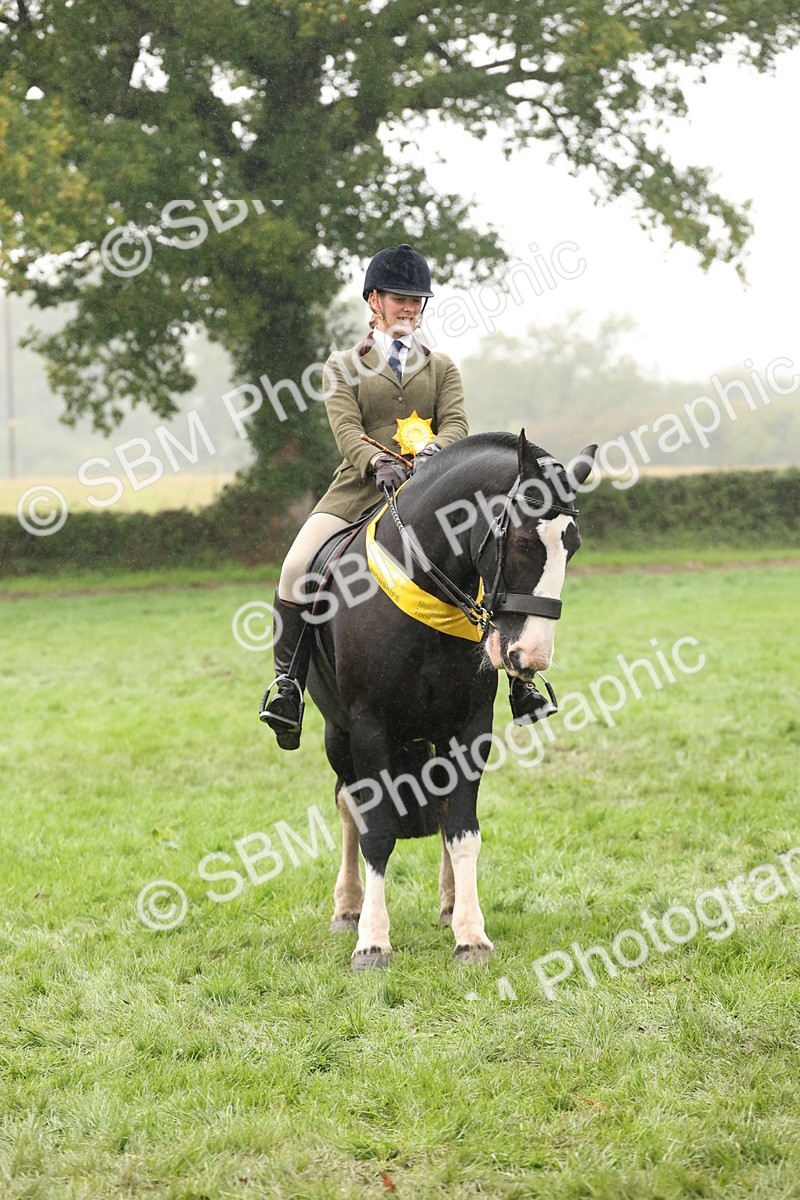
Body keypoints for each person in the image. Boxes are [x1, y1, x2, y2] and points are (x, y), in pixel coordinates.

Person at [259, 243, 554, 750]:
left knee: (491, 565)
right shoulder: (342, 365)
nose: (410, 307)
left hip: (433, 495)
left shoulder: (441, 367)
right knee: (295, 567)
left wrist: (436, 454)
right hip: (359, 490)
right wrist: (376, 462)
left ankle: (520, 683)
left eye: (417, 299)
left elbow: (458, 422)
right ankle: (287, 687)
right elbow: (347, 430)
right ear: (373, 300)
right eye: (400, 298)